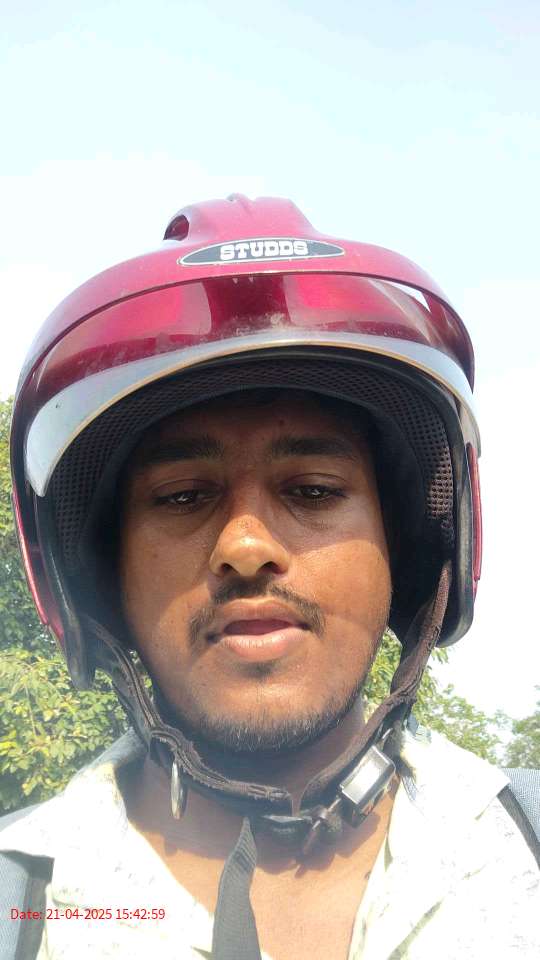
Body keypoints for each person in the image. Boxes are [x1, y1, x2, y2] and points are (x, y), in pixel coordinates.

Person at [1, 194, 538, 959]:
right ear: (101, 577)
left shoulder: (521, 844)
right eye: (182, 497)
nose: (246, 546)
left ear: (406, 551)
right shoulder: (18, 904)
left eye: (313, 491)